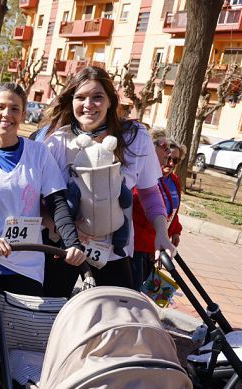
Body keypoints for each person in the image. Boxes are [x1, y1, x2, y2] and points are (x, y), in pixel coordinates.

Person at [0, 83, 85, 389]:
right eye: (1, 107)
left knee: (19, 342)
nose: (7, 115)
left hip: (27, 262)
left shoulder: (38, 154)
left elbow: (57, 204)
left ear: (23, 114)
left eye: (14, 109)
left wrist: (73, 244)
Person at [40, 67, 175, 296]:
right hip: (64, 246)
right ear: (71, 101)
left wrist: (162, 233)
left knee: (116, 314)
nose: (88, 104)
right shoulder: (55, 143)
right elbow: (40, 200)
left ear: (111, 102)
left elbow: (149, 193)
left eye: (97, 97)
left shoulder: (135, 137)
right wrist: (63, 228)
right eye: (81, 97)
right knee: (51, 312)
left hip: (113, 249)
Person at [131, 129, 183, 290]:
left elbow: (169, 210)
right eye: (164, 147)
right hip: (135, 245)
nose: (171, 162)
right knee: (131, 290)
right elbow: (141, 204)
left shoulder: (173, 180)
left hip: (153, 246)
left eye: (176, 160)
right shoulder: (143, 175)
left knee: (140, 289)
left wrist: (174, 230)